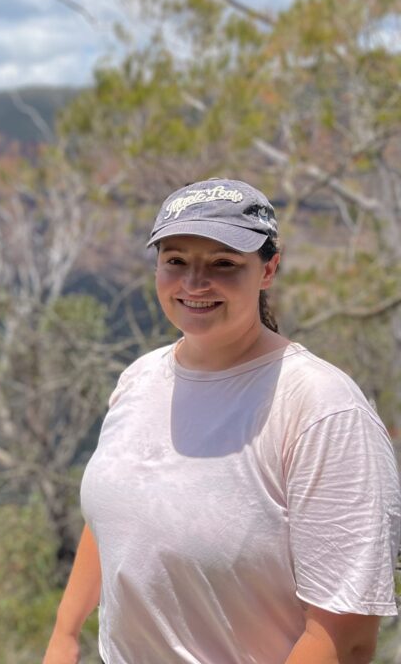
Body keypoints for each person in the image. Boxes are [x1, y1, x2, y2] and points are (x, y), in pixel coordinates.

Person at [42, 178, 401, 664]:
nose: (194, 283)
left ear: (269, 268)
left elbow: (345, 637)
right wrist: (64, 635)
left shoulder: (321, 409)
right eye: (175, 261)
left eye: (224, 264)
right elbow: (116, 516)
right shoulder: (139, 379)